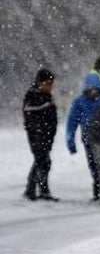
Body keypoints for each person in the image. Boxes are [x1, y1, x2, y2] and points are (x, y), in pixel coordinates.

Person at [65, 71, 100, 200]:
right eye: (90, 89)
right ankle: (98, 190)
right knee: (94, 165)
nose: (93, 92)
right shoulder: (80, 102)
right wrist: (70, 140)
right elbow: (72, 121)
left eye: (95, 89)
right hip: (89, 139)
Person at [22, 68, 58, 201]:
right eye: (47, 83)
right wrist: (40, 132)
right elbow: (31, 114)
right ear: (39, 82)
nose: (50, 86)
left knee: (44, 162)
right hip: (37, 136)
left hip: (46, 135)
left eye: (51, 83)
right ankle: (32, 190)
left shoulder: (46, 95)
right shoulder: (33, 95)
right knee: (41, 161)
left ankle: (40, 190)